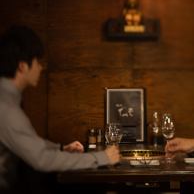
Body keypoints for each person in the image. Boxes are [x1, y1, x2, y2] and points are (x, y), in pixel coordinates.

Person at [0, 25, 120, 193]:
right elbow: (42, 159)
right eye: (37, 61)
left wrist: (61, 148)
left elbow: (27, 142)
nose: (41, 68)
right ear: (22, 66)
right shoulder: (6, 107)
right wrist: (102, 157)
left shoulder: (7, 99)